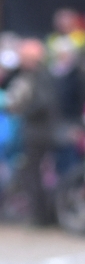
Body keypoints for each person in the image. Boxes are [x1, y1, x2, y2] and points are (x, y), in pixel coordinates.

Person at [5, 39, 60, 226]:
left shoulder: (40, 76)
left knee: (35, 174)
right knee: (33, 173)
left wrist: (24, 112)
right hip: (37, 131)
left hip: (39, 133)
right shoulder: (36, 75)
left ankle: (40, 217)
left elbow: (43, 102)